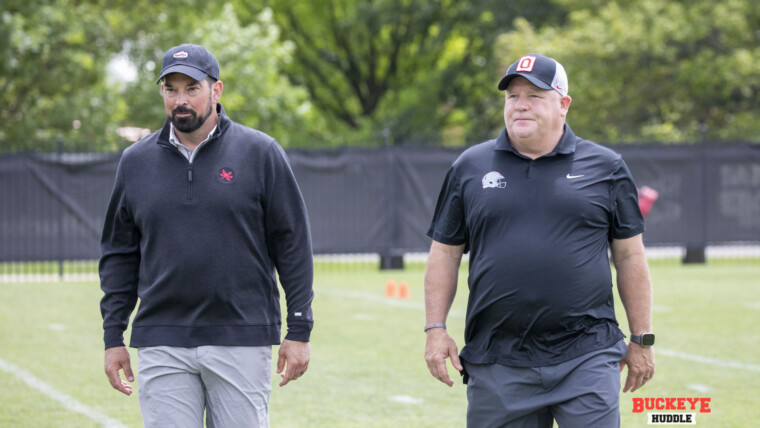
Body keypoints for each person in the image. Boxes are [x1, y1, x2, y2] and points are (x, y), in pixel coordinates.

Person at [424, 53, 655, 427]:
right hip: (498, 360)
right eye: (513, 96)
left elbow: (630, 256)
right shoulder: (469, 166)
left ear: (563, 104)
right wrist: (435, 329)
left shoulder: (607, 167)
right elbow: (444, 254)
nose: (520, 105)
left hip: (586, 355)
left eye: (535, 95)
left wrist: (642, 338)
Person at [99, 43, 314, 428]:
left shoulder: (261, 152)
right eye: (171, 89)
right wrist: (113, 334)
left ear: (216, 91)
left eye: (191, 88)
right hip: (161, 337)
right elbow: (119, 254)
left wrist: (299, 329)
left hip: (241, 336)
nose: (180, 100)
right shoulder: (135, 162)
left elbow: (293, 243)